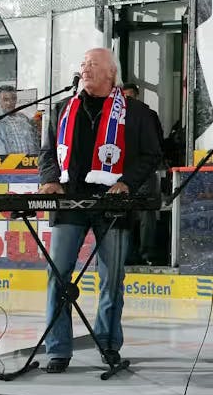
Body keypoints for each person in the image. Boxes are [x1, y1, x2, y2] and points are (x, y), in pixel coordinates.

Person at [37, 48, 163, 373]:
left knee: (111, 279)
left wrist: (127, 183)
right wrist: (51, 179)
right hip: (70, 204)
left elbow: (151, 156)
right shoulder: (64, 109)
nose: (85, 69)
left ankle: (108, 344)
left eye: (92, 64)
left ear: (111, 74)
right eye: (82, 64)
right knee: (58, 274)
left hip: (113, 206)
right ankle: (58, 350)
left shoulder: (136, 113)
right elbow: (48, 152)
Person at [121, 82, 167, 264]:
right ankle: (129, 253)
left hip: (145, 171)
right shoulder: (116, 116)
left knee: (147, 213)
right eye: (125, 97)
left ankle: (147, 253)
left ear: (137, 96)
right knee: (125, 213)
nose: (128, 100)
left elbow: (157, 145)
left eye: (130, 96)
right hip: (122, 174)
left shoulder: (148, 115)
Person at [0, 85, 41, 155]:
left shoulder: (24, 119)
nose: (10, 103)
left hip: (29, 164)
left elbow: (33, 147)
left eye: (13, 99)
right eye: (5, 99)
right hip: (8, 165)